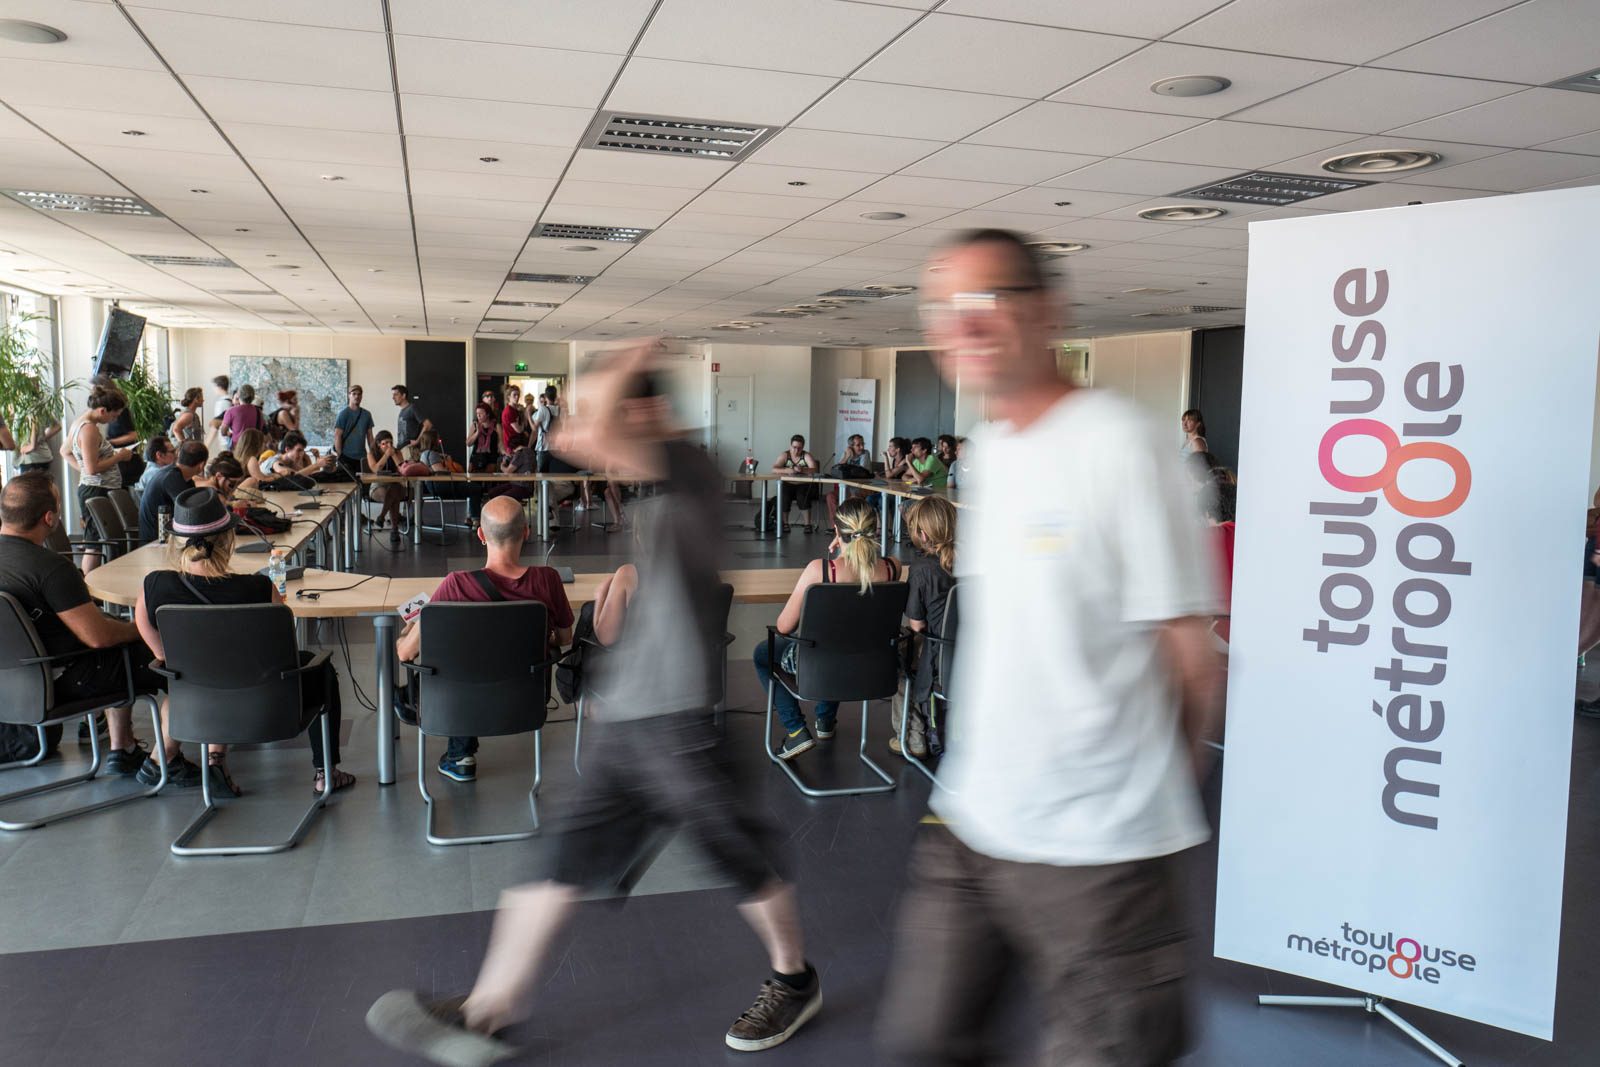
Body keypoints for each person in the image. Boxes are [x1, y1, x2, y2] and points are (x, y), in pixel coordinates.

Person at [369, 345, 821, 1062]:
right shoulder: (654, 480)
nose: (586, 432)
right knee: (559, 857)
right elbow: (579, 445)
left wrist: (620, 367)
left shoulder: (692, 466)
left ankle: (794, 978)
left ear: (645, 413)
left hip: (681, 721)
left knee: (740, 857)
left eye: (607, 410)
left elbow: (577, 437)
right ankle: (488, 1009)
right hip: (631, 719)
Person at [877, 229, 1221, 1067]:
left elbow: (1192, 658)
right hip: (974, 821)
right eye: (946, 309)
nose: (966, 325)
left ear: (1049, 312)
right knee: (920, 1043)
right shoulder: (993, 451)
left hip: (1100, 850)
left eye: (989, 299)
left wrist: (1133, 806)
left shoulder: (1124, 445)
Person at [133, 486, 354, 797]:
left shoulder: (154, 584)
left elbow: (142, 624)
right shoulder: (259, 588)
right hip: (267, 707)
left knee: (206, 668)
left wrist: (171, 658)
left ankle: (210, 759)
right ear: (228, 538)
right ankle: (324, 773)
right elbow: (282, 649)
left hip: (196, 700)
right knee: (323, 672)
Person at [0, 474, 190, 782]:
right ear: (50, 518)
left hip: (12, 682)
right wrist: (138, 629)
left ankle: (123, 748)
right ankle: (164, 760)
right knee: (179, 657)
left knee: (114, 635)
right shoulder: (51, 568)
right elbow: (98, 638)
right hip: (61, 680)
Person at [394, 496, 573, 782]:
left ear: (480, 534)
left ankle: (459, 755)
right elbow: (565, 637)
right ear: (526, 533)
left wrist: (409, 633)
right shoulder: (548, 580)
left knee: (457, 660)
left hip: (461, 699)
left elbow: (405, 654)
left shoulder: (455, 585)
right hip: (525, 698)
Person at [753, 496, 901, 759]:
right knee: (845, 637)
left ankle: (796, 730)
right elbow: (863, 572)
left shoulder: (820, 570)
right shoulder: (892, 568)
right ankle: (825, 721)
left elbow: (784, 626)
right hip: (874, 665)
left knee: (764, 653)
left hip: (822, 665)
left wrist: (837, 556)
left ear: (837, 530)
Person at [895, 495, 957, 759]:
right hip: (974, 650)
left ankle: (913, 737)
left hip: (940, 655)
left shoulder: (921, 570)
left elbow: (917, 624)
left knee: (898, 663)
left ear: (922, 533)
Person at [68, 381, 135, 573]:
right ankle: (88, 588)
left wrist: (84, 469)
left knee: (97, 540)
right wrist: (119, 457)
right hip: (96, 490)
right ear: (103, 410)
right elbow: (92, 468)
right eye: (114, 415)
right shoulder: (88, 429)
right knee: (95, 543)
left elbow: (65, 452)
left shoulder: (79, 424)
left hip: (95, 487)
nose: (114, 420)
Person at [137, 440, 207, 544]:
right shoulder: (171, 478)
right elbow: (190, 514)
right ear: (202, 465)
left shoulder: (181, 478)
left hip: (166, 538)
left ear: (179, 455)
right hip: (155, 542)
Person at [771, 434, 820, 533]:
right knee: (784, 496)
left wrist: (802, 470)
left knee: (802, 496)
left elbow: (815, 469)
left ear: (803, 448)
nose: (796, 451)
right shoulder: (785, 455)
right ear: (790, 446)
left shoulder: (806, 455)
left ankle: (807, 524)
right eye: (794, 447)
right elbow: (774, 469)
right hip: (788, 484)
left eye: (799, 448)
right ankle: (785, 523)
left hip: (803, 484)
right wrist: (787, 471)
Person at [364, 429, 406, 542]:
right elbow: (375, 469)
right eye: (385, 443)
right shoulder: (371, 454)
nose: (388, 445)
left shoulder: (397, 452)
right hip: (378, 485)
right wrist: (386, 455)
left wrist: (393, 456)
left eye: (390, 443)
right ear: (378, 444)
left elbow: (402, 469)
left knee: (394, 490)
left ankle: (382, 517)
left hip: (395, 484)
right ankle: (394, 529)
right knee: (392, 497)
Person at [333, 384, 375, 478]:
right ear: (349, 396)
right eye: (354, 394)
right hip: (346, 457)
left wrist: (373, 454)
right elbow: (337, 436)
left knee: (363, 485)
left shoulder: (367, 414)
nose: (356, 396)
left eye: (359, 394)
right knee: (346, 484)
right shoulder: (343, 414)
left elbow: (370, 437)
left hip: (362, 458)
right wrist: (340, 456)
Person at [268, 430, 333, 480]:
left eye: (302, 450)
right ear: (287, 449)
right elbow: (293, 477)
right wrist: (316, 464)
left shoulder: (292, 460)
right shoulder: (275, 462)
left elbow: (308, 474)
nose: (301, 454)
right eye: (298, 450)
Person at [393, 384, 431, 458]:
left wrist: (417, 441)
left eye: (396, 395)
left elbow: (428, 425)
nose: (393, 397)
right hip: (402, 449)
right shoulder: (402, 411)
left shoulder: (412, 408)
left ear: (403, 396)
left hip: (410, 450)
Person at [464, 401, 501, 473]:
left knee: (487, 481)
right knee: (474, 482)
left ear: (488, 414)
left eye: (481, 413)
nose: (478, 416)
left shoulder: (496, 426)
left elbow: (500, 444)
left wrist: (507, 453)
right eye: (477, 414)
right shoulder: (475, 425)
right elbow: (468, 443)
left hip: (491, 458)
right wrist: (477, 433)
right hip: (476, 457)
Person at [532, 385, 560, 472]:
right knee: (554, 475)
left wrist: (528, 416)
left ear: (545, 396)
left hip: (543, 447)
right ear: (555, 396)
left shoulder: (543, 409)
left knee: (542, 475)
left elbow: (534, 428)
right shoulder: (561, 410)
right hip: (557, 448)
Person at [501, 384, 527, 453]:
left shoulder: (515, 410)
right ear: (509, 396)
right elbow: (519, 430)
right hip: (512, 445)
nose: (517, 397)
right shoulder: (509, 411)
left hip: (517, 443)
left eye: (518, 395)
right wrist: (524, 417)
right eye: (514, 395)